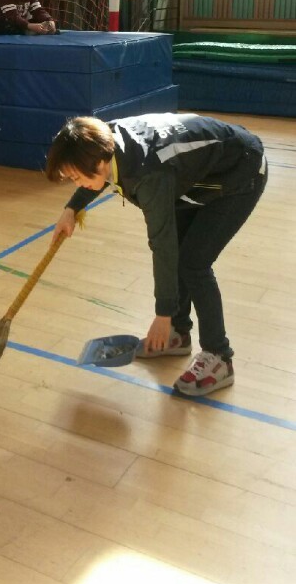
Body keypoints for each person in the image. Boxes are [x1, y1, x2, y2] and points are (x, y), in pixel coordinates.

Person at [46, 112, 267, 397]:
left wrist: (162, 314)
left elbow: (163, 245)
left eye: (76, 177)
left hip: (241, 172)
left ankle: (219, 356)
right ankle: (179, 334)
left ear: (99, 162)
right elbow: (97, 177)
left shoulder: (148, 174)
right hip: (194, 174)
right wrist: (72, 208)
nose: (77, 183)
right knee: (181, 255)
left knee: (193, 263)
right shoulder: (102, 139)